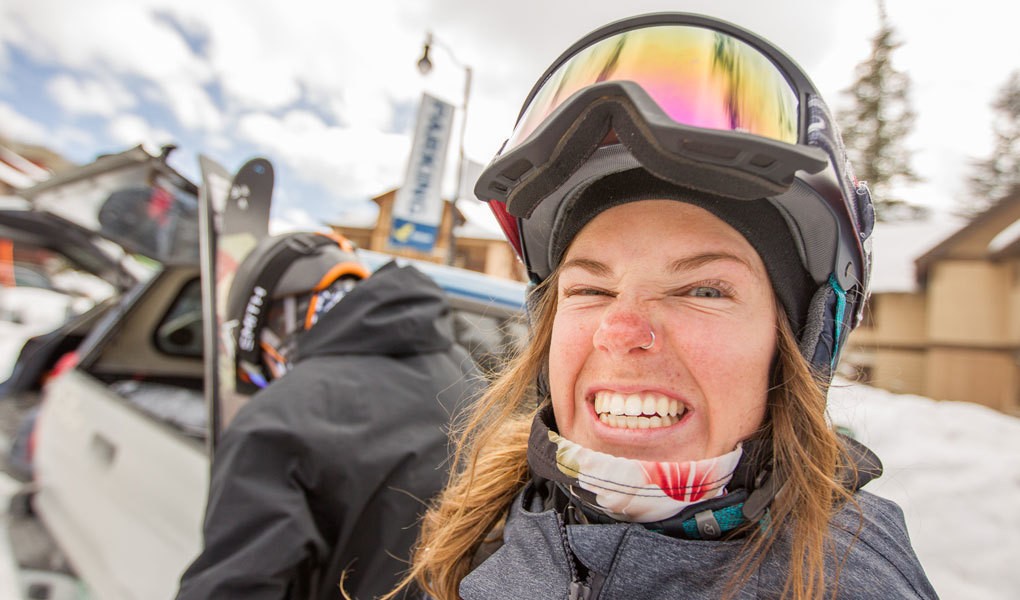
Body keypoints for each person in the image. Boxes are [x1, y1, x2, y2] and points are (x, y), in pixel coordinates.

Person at [387, 12, 938, 600]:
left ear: (798, 345)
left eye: (703, 290)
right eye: (590, 290)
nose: (620, 330)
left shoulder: (855, 582)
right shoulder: (476, 533)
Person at [176, 231, 483, 600]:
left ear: (279, 324)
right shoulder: (466, 373)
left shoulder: (277, 421)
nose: (270, 377)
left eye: (263, 366)